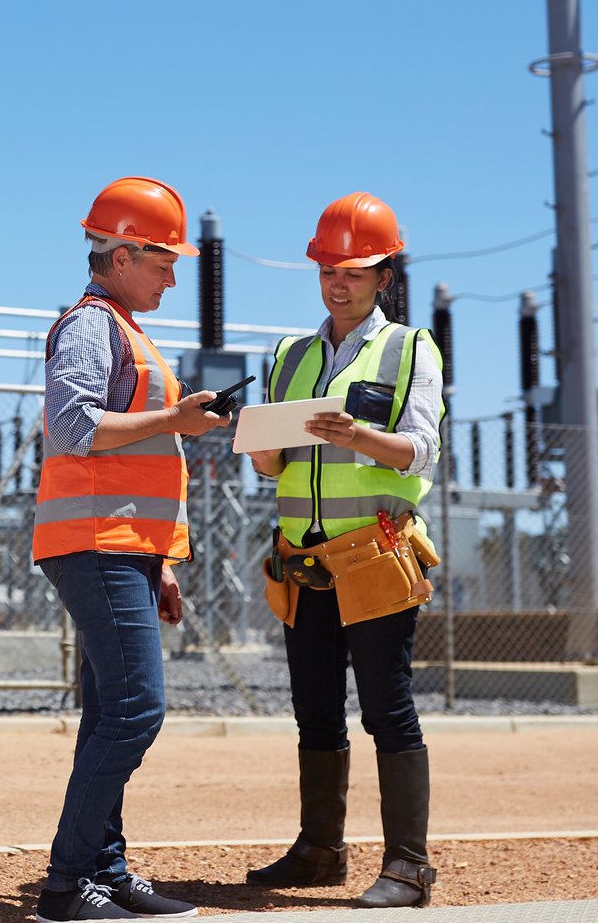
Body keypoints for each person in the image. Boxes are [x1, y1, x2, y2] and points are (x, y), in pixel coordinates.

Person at [32, 176, 230, 923]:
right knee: (138, 711)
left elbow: (131, 451)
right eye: (162, 261)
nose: (175, 276)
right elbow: (74, 429)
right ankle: (65, 885)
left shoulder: (125, 328)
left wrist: (161, 564)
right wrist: (175, 420)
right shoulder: (91, 326)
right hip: (95, 542)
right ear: (118, 255)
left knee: (109, 711)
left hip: (124, 549)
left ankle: (105, 870)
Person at [242, 191, 446, 908]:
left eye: (355, 270)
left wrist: (356, 436)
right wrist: (262, 448)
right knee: (314, 709)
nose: (339, 281)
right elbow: (271, 469)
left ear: (384, 276)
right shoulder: (290, 356)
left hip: (375, 557)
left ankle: (409, 866)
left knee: (388, 707)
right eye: (329, 268)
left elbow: (422, 451)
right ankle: (319, 850)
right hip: (305, 561)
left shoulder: (409, 348)